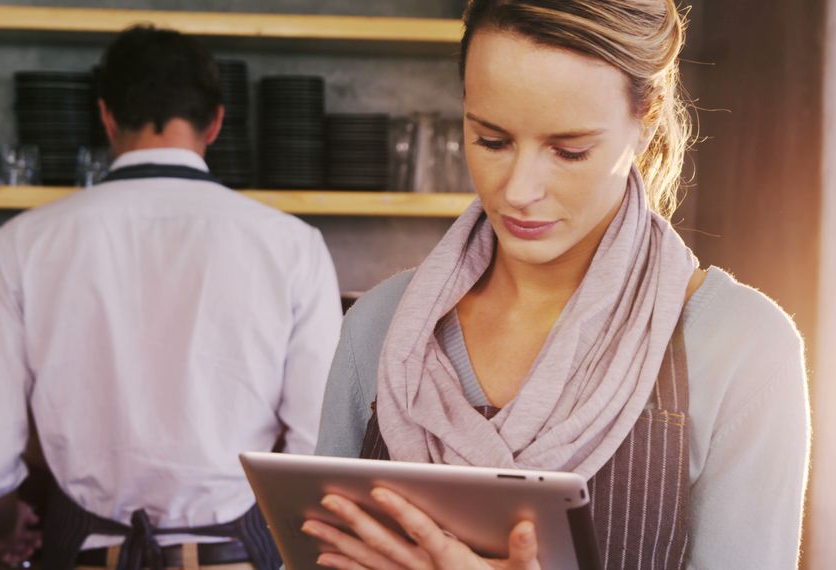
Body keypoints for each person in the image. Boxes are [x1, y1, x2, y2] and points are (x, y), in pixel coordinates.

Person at [305, 1, 810, 568]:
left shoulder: (742, 347)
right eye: (491, 140)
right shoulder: (378, 326)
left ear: (646, 123)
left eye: (569, 150)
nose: (519, 190)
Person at [0, 26, 342, 570]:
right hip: (238, 555)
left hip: (81, 550)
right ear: (217, 123)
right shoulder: (294, 246)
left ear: (107, 117)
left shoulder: (24, 243)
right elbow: (318, 457)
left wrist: (3, 528)